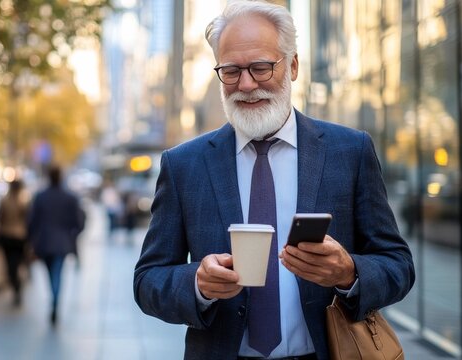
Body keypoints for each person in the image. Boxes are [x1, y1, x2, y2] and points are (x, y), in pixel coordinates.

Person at [133, 2, 415, 360]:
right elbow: (147, 282)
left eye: (261, 68)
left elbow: (398, 265)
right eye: (232, 71)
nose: (246, 85)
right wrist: (197, 284)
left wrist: (348, 272)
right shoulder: (183, 164)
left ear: (292, 66)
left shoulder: (350, 151)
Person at [27, 165, 86, 325]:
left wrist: (32, 238)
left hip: (44, 242)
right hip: (62, 243)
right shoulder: (70, 197)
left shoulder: (40, 196)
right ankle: (55, 302)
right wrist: (72, 234)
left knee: (50, 273)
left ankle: (53, 300)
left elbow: (32, 221)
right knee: (57, 273)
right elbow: (79, 221)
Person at [0, 179, 29, 307]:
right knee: (14, 265)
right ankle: (17, 285)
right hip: (17, 237)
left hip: (10, 237)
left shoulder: (10, 201)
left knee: (11, 266)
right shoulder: (23, 201)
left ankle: (17, 285)